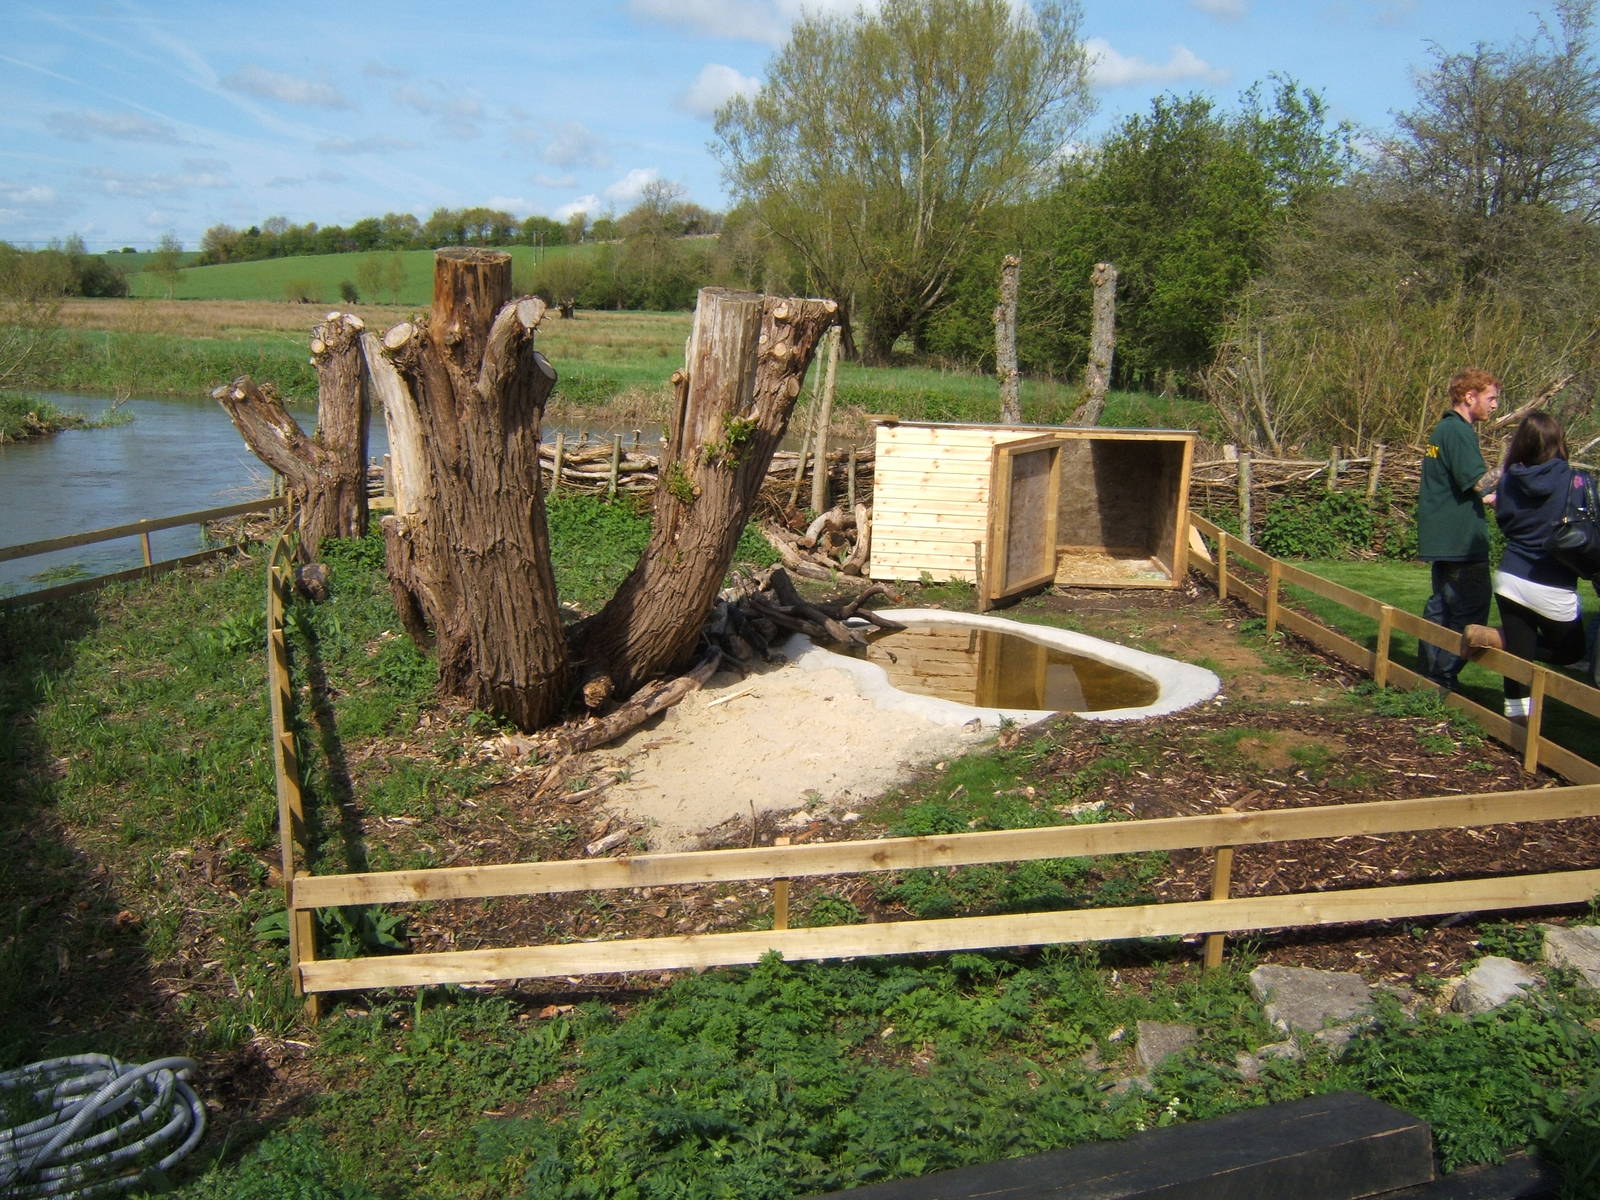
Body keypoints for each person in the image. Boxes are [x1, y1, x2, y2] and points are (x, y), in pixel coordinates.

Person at [1463, 412, 1589, 721]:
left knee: (1519, 657)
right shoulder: (1575, 481)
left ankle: (1516, 724)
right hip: (1554, 580)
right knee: (1571, 652)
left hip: (1511, 576)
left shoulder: (1509, 480)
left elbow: (1505, 522)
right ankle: (1500, 640)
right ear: (1558, 442)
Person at [1416, 368, 1500, 689]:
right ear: (1469, 396)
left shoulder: (1443, 430)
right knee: (1470, 613)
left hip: (1444, 539)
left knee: (1441, 607)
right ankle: (1442, 676)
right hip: (1462, 542)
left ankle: (1428, 676)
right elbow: (1479, 482)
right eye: (1490, 398)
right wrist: (1514, 466)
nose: (1494, 405)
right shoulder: (1458, 432)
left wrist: (1490, 497)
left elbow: (1468, 487)